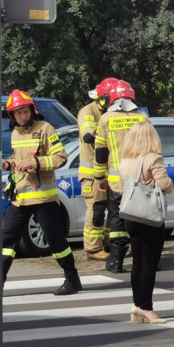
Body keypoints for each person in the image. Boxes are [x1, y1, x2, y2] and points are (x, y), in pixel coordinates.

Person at [0, 90, 82, 297]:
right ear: (12, 116)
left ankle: (72, 279)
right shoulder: (15, 134)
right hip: (20, 198)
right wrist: (7, 164)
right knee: (6, 241)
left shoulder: (45, 128)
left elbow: (60, 158)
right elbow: (18, 160)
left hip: (43, 198)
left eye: (25, 111)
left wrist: (34, 163)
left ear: (32, 110)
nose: (22, 116)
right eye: (18, 113)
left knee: (56, 241)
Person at [118, 121, 174, 324]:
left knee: (137, 262)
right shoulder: (153, 159)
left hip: (131, 216)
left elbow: (121, 187)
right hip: (150, 217)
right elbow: (165, 184)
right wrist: (171, 185)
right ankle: (147, 308)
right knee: (150, 263)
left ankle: (137, 307)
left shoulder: (125, 160)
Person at [93, 80, 149, 273]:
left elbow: (100, 152)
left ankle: (116, 262)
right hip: (142, 179)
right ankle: (148, 261)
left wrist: (100, 178)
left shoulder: (106, 119)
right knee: (143, 220)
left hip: (118, 183)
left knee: (118, 220)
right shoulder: (143, 118)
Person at [77, 77, 116, 260]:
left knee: (115, 210)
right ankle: (93, 249)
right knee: (97, 210)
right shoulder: (87, 111)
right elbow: (88, 134)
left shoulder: (112, 112)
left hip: (111, 172)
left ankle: (111, 244)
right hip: (92, 174)